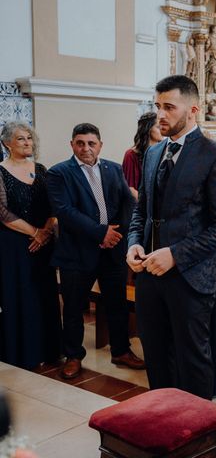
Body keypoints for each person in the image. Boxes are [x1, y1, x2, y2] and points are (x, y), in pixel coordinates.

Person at [126, 75, 216, 399]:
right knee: (157, 357)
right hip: (148, 273)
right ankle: (163, 424)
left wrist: (174, 254)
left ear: (193, 111)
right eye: (157, 106)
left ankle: (198, 439)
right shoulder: (151, 154)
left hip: (190, 277)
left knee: (192, 361)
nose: (161, 114)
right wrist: (134, 242)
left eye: (169, 107)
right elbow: (141, 211)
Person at [47, 123, 143, 379]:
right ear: (72, 145)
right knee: (74, 307)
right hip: (77, 253)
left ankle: (121, 351)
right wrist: (101, 234)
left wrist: (116, 234)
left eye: (91, 143)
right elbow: (65, 212)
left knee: (117, 303)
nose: (86, 148)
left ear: (100, 145)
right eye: (80, 143)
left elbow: (128, 202)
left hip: (112, 251)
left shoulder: (113, 168)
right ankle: (74, 355)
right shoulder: (59, 173)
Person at [0, 122, 61, 370]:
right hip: (13, 244)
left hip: (44, 242)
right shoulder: (1, 171)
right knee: (20, 294)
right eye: (21, 139)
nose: (27, 143)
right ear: (7, 144)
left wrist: (45, 232)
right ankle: (23, 353)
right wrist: (34, 232)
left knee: (45, 293)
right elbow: (2, 212)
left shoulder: (42, 169)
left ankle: (50, 350)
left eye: (29, 138)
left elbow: (54, 205)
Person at [122, 112, 163, 200]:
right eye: (159, 127)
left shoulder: (164, 153)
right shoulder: (131, 155)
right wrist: (148, 208)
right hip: (141, 208)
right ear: (148, 129)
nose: (162, 129)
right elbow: (130, 188)